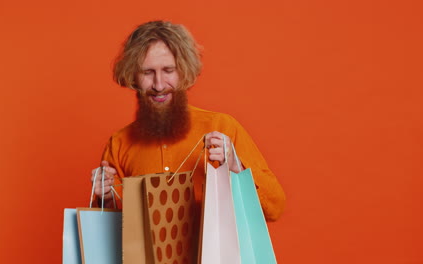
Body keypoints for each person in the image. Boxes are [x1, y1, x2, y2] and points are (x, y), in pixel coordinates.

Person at [91, 20, 285, 221]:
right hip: (145, 254)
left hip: (214, 253)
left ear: (183, 71)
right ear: (133, 75)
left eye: (168, 70)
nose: (158, 85)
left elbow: (275, 207)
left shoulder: (221, 127)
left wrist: (238, 167)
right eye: (147, 72)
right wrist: (106, 197)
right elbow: (118, 230)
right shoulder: (119, 144)